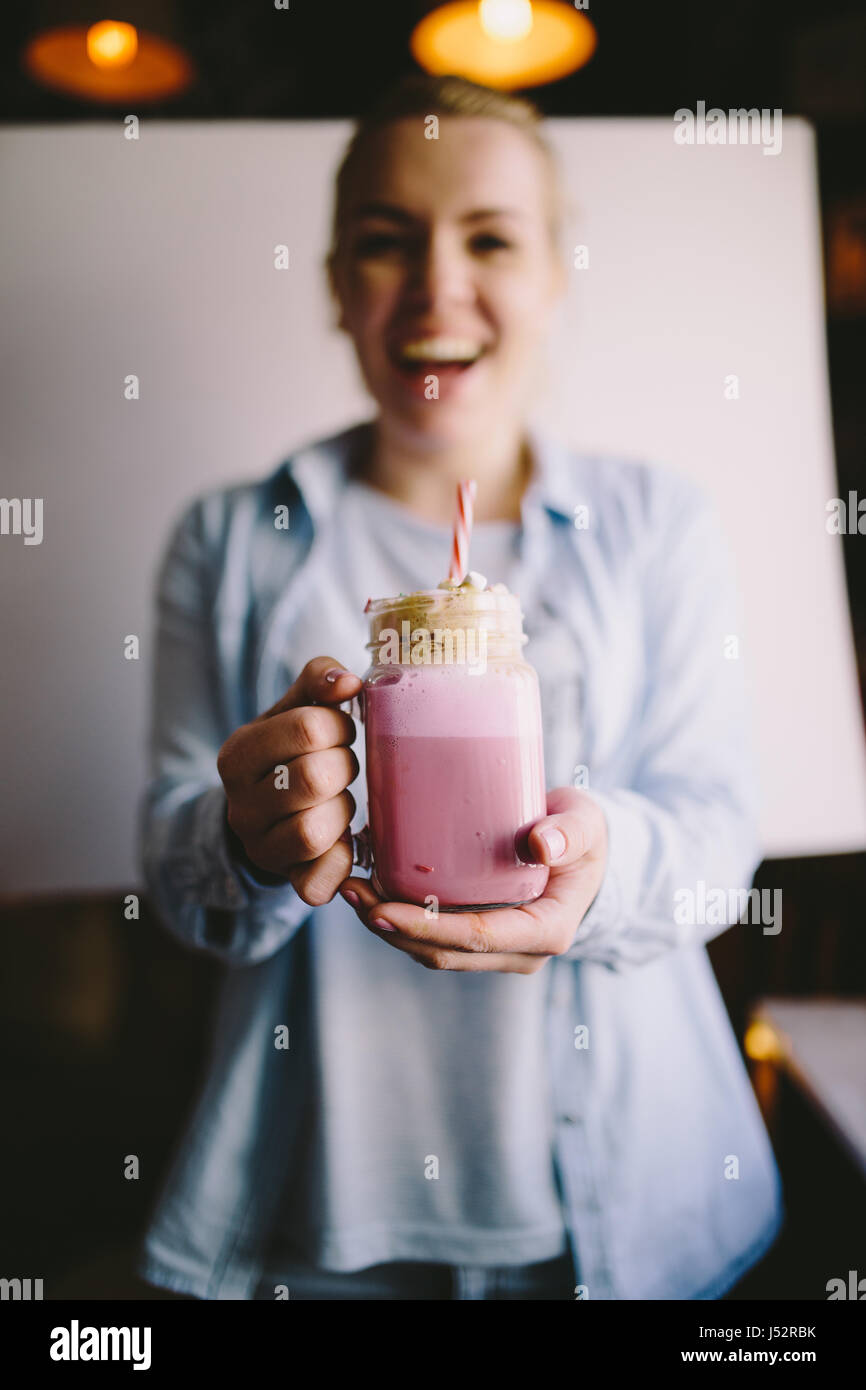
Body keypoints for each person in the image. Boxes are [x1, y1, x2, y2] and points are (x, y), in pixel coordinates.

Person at [136, 73, 783, 1301]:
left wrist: (597, 872)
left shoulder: (657, 525)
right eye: (385, 241)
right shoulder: (230, 538)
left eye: (489, 236)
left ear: (553, 273)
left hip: (625, 1211)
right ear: (335, 283)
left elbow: (713, 838)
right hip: (323, 1215)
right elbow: (169, 858)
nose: (437, 285)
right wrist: (244, 832)